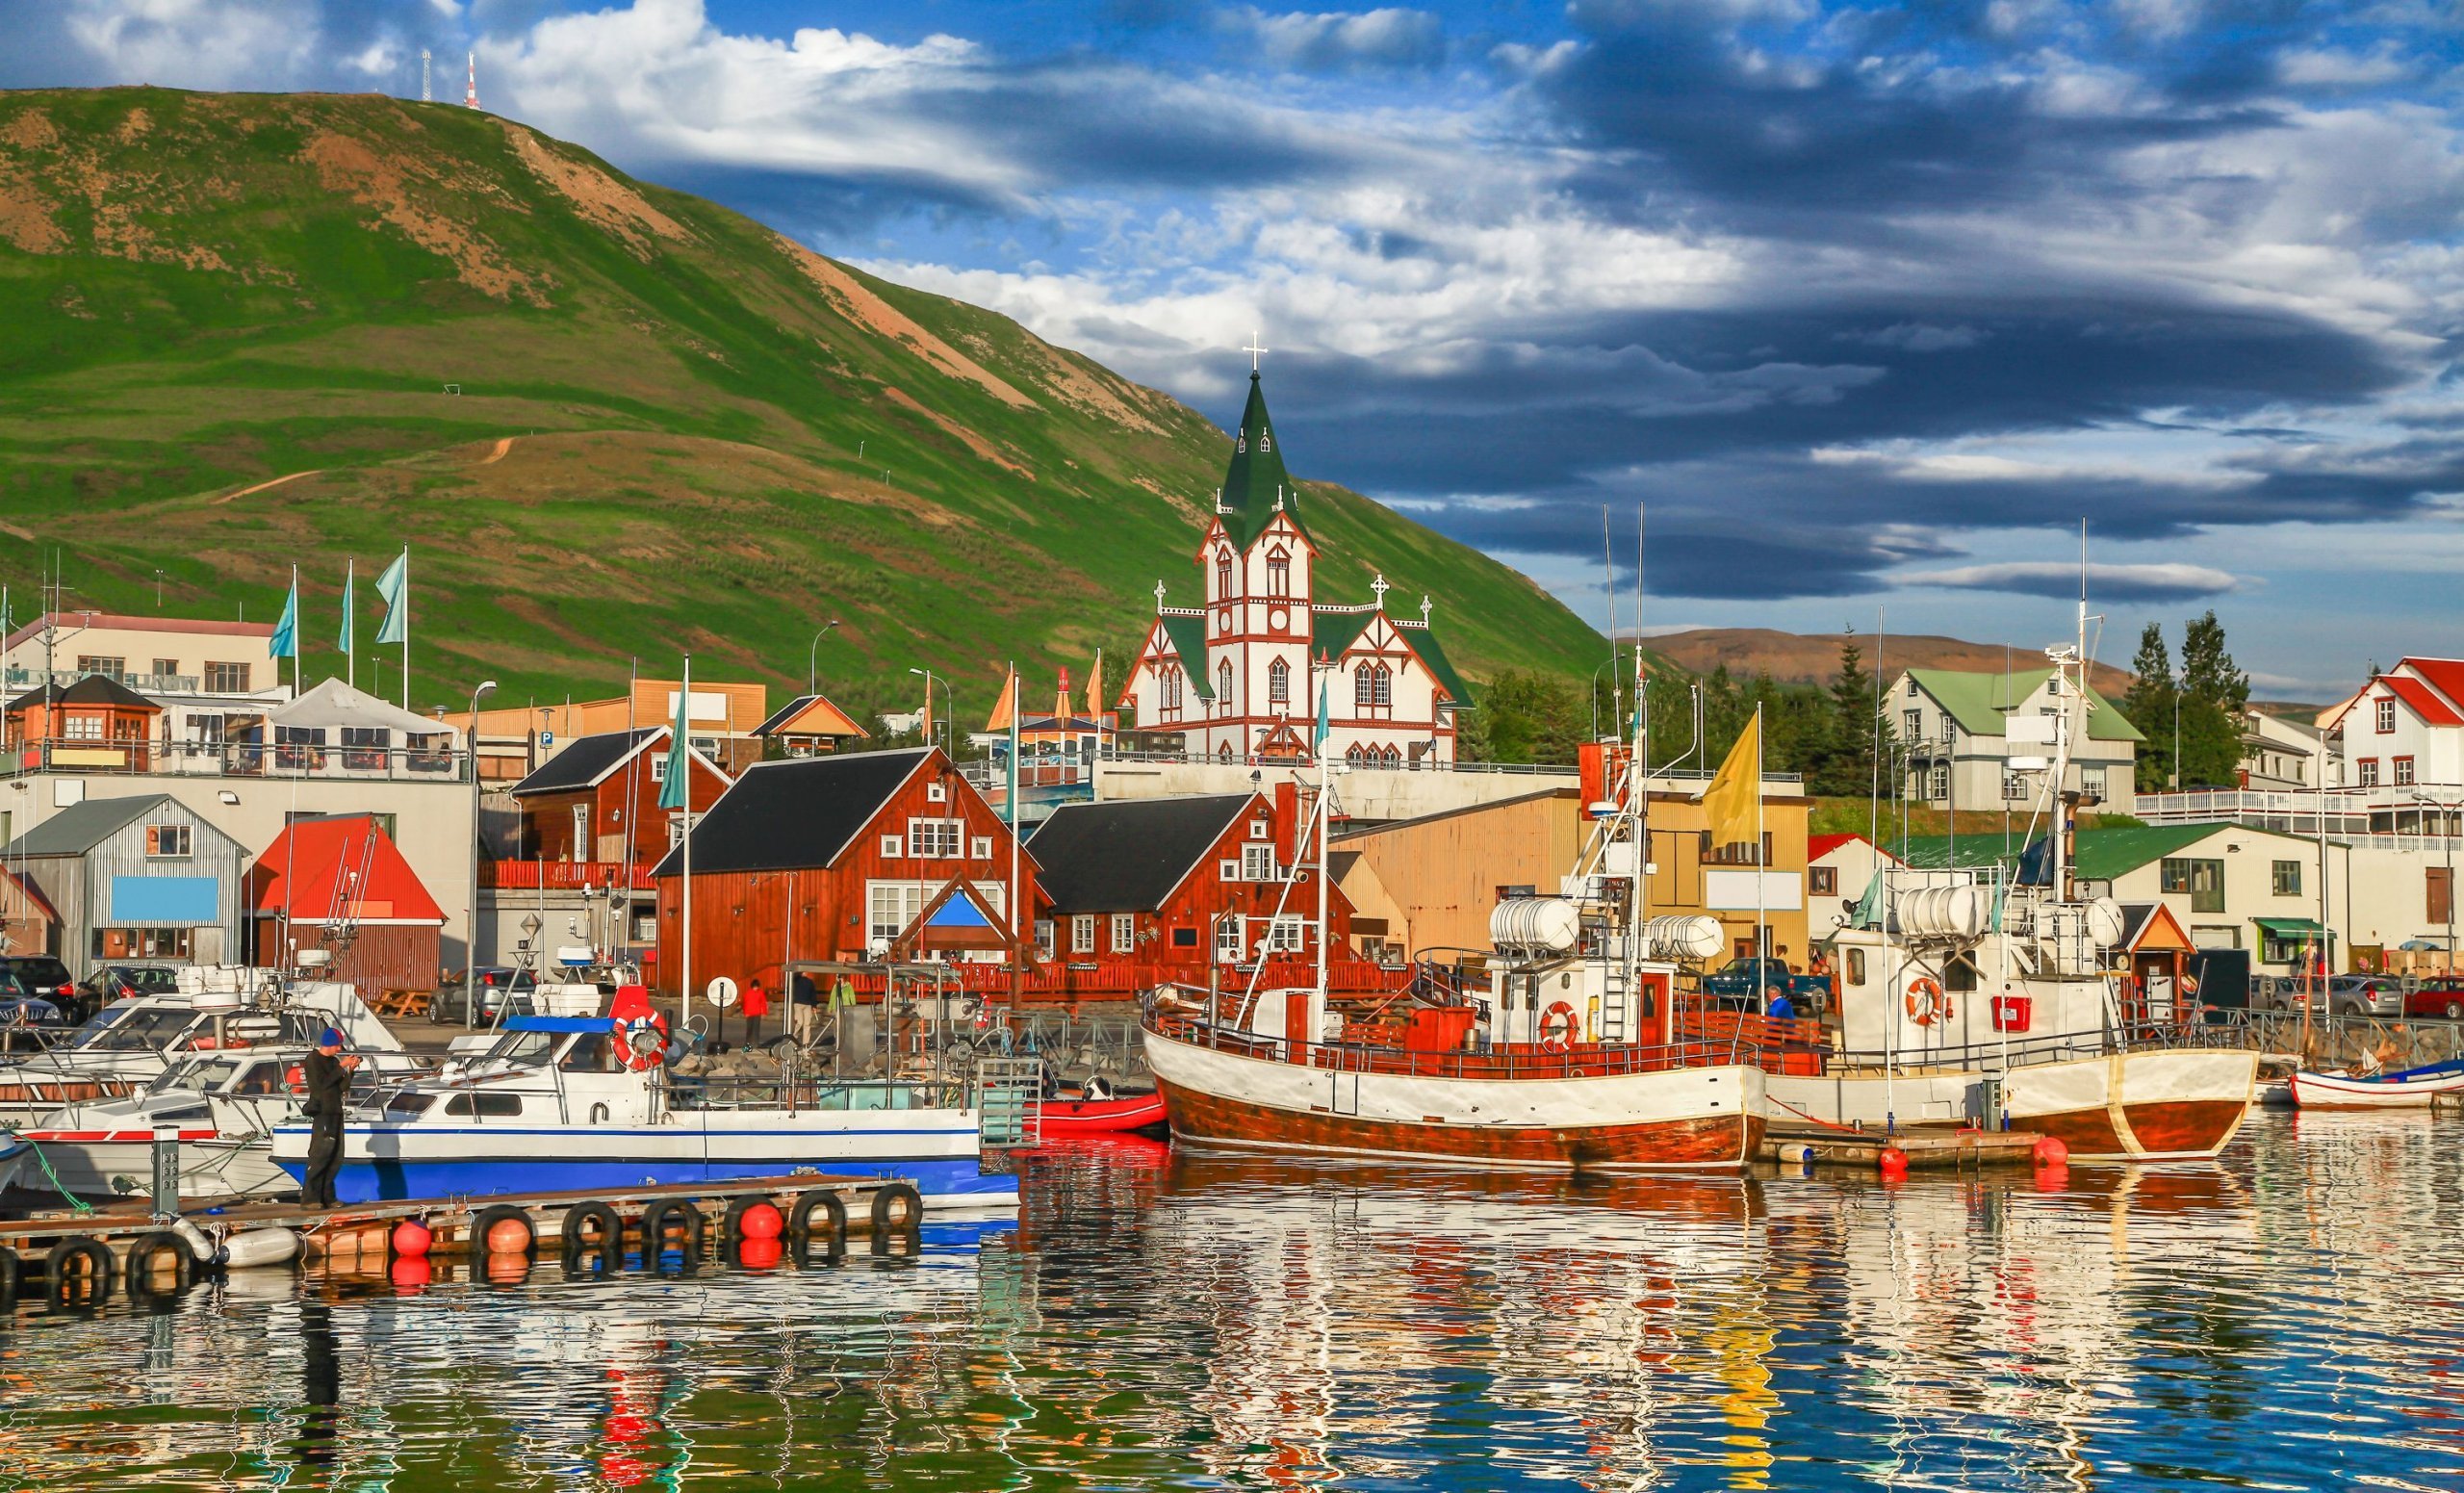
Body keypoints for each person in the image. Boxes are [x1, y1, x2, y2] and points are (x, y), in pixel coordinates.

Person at [299, 1028, 361, 1209]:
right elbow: (321, 1085)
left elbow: (341, 1087)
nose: (340, 1049)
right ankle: (310, 1198)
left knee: (335, 1157)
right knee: (320, 1155)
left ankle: (328, 1197)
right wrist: (340, 1066)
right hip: (323, 1113)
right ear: (331, 1044)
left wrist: (350, 1070)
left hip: (336, 1111)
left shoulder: (334, 1062)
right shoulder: (313, 1059)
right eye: (338, 1045)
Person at [791, 970, 823, 1046]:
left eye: (806, 971)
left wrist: (814, 1006)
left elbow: (813, 994)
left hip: (807, 1005)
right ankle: (793, 1039)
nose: (805, 973)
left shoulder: (810, 982)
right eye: (803, 971)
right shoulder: (795, 980)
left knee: (807, 1024)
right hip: (798, 1004)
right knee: (799, 1022)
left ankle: (806, 1042)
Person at [741, 976, 770, 1046]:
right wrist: (745, 1012)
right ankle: (747, 1043)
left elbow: (763, 1002)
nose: (756, 988)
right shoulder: (748, 993)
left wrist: (764, 1012)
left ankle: (755, 1043)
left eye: (757, 987)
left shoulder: (760, 993)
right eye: (755, 986)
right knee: (749, 1029)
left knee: (756, 1029)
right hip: (749, 1013)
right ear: (752, 986)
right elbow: (744, 1003)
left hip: (757, 1013)